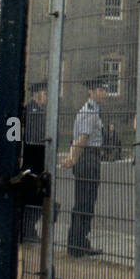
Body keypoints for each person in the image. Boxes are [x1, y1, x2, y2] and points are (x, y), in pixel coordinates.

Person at [61, 78, 107, 258]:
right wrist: (73, 157)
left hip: (88, 157)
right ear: (91, 92)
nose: (104, 93)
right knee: (85, 202)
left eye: (104, 90)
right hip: (88, 158)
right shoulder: (89, 112)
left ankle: (78, 242)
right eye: (100, 90)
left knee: (85, 201)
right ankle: (78, 243)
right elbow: (82, 139)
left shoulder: (93, 110)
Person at [22, 81, 48, 240]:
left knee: (35, 195)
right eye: (44, 94)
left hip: (34, 157)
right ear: (36, 94)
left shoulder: (36, 110)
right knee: (34, 196)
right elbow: (16, 136)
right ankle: (28, 230)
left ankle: (28, 229)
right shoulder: (30, 111)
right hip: (31, 158)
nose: (46, 97)